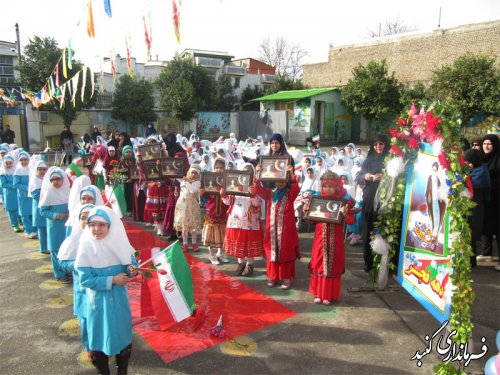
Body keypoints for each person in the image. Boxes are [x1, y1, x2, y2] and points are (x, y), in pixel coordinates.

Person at [75, 206, 137, 375]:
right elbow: (85, 279)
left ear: (111, 226)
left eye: (101, 225)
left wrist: (132, 268)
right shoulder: (85, 247)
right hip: (97, 303)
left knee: (123, 336)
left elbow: (131, 263)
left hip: (119, 301)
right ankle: (104, 372)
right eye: (92, 224)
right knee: (99, 338)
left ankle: (122, 371)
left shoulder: (121, 243)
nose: (96, 229)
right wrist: (112, 280)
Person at [307, 171, 355, 304]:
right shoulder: (317, 200)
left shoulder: (344, 202)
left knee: (332, 263)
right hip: (320, 238)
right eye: (324, 186)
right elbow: (311, 221)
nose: (327, 189)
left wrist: (345, 214)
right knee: (318, 261)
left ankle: (328, 294)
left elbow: (351, 221)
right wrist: (307, 211)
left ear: (337, 187)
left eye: (330, 186)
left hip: (335, 239)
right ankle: (318, 292)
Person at [254, 163, 300, 289]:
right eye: (278, 181)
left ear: (286, 181)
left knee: (285, 252)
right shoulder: (270, 193)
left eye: (283, 181)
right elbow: (257, 188)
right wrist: (258, 173)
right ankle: (272, 276)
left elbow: (296, 188)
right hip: (272, 230)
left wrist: (291, 174)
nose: (280, 183)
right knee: (271, 251)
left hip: (286, 231)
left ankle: (286, 277)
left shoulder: (290, 194)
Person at [58, 203, 94, 353]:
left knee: (99, 318)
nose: (86, 222)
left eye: (90, 218)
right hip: (82, 287)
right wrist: (79, 264)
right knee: (85, 317)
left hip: (102, 288)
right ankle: (89, 347)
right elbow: (63, 260)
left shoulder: (105, 236)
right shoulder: (74, 238)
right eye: (83, 218)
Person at [222, 163, 264, 277]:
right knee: (239, 243)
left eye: (249, 171)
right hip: (236, 219)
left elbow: (257, 203)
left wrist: (253, 195)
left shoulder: (256, 185)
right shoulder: (235, 183)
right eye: (245, 171)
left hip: (250, 220)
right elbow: (228, 202)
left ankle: (249, 265)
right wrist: (224, 195)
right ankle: (241, 264)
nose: (247, 173)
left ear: (253, 173)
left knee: (249, 244)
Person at [356, 134, 389, 272]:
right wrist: (366, 176)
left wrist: (385, 177)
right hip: (369, 199)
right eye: (375, 145)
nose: (378, 147)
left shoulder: (389, 160)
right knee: (367, 229)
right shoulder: (368, 161)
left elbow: (398, 178)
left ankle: (384, 261)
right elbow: (358, 177)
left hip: (385, 199)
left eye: (381, 144)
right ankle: (368, 262)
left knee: (383, 229)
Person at [39, 167, 72, 283]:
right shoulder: (48, 194)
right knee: (55, 250)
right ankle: (59, 273)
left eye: (58, 179)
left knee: (67, 248)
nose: (56, 182)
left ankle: (67, 270)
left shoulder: (68, 192)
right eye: (53, 179)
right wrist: (57, 215)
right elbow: (43, 211)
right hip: (55, 227)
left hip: (67, 226)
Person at [464, 149, 491, 267]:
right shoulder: (470, 170)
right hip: (468, 205)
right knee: (466, 231)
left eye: (469, 161)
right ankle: (469, 260)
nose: (467, 164)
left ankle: (471, 261)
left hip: (476, 206)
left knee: (472, 232)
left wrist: (463, 179)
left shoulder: (482, 171)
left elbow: (473, 185)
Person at [200, 158, 229, 265]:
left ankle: (220, 253)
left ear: (224, 169)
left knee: (222, 233)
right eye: (216, 168)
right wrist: (202, 192)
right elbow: (206, 195)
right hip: (211, 210)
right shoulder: (209, 179)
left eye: (221, 168)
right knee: (211, 233)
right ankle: (211, 254)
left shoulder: (227, 179)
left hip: (223, 210)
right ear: (214, 168)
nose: (218, 170)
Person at [161, 133, 189, 240]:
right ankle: (173, 232)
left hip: (181, 184)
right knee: (172, 207)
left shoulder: (179, 153)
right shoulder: (173, 151)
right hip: (173, 185)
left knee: (181, 208)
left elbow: (180, 167)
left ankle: (182, 233)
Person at [479, 134, 499, 270]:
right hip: (485, 199)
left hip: (497, 199)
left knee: (498, 228)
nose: (486, 146)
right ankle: (487, 253)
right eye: (484, 144)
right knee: (485, 224)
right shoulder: (480, 159)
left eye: (489, 144)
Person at [174, 164, 202, 252]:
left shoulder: (197, 183)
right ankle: (185, 244)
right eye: (192, 172)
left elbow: (192, 190)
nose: (193, 174)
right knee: (184, 226)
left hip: (192, 206)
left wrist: (186, 181)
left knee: (193, 226)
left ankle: (194, 243)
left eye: (195, 173)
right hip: (182, 206)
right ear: (189, 172)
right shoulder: (183, 181)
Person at [13, 151, 36, 238]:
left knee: (32, 213)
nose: (24, 162)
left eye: (25, 159)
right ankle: (28, 230)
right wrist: (27, 188)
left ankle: (34, 230)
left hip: (31, 195)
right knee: (25, 214)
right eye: (21, 160)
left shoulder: (32, 169)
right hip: (23, 196)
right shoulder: (18, 170)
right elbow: (16, 184)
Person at [29, 160, 49, 253]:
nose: (42, 171)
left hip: (46, 207)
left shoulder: (46, 179)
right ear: (36, 170)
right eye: (40, 169)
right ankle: (43, 248)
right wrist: (48, 197)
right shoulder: (35, 180)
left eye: (44, 169)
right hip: (39, 208)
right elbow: (36, 196)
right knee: (42, 229)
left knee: (45, 228)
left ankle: (46, 246)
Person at [425, 162, 446, 243]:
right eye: (433, 170)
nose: (434, 171)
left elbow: (441, 189)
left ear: (437, 170)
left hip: (437, 200)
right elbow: (428, 188)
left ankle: (435, 234)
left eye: (436, 170)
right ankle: (434, 233)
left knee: (437, 216)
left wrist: (441, 197)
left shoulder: (438, 178)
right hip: (431, 200)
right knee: (432, 216)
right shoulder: (430, 177)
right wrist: (427, 196)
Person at [0, 154, 21, 231]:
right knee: (11, 209)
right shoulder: (2, 172)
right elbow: (3, 184)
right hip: (9, 194)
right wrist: (15, 185)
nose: (9, 165)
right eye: (7, 163)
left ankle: (20, 221)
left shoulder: (16, 171)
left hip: (17, 192)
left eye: (10, 163)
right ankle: (14, 225)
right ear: (4, 163)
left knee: (19, 208)